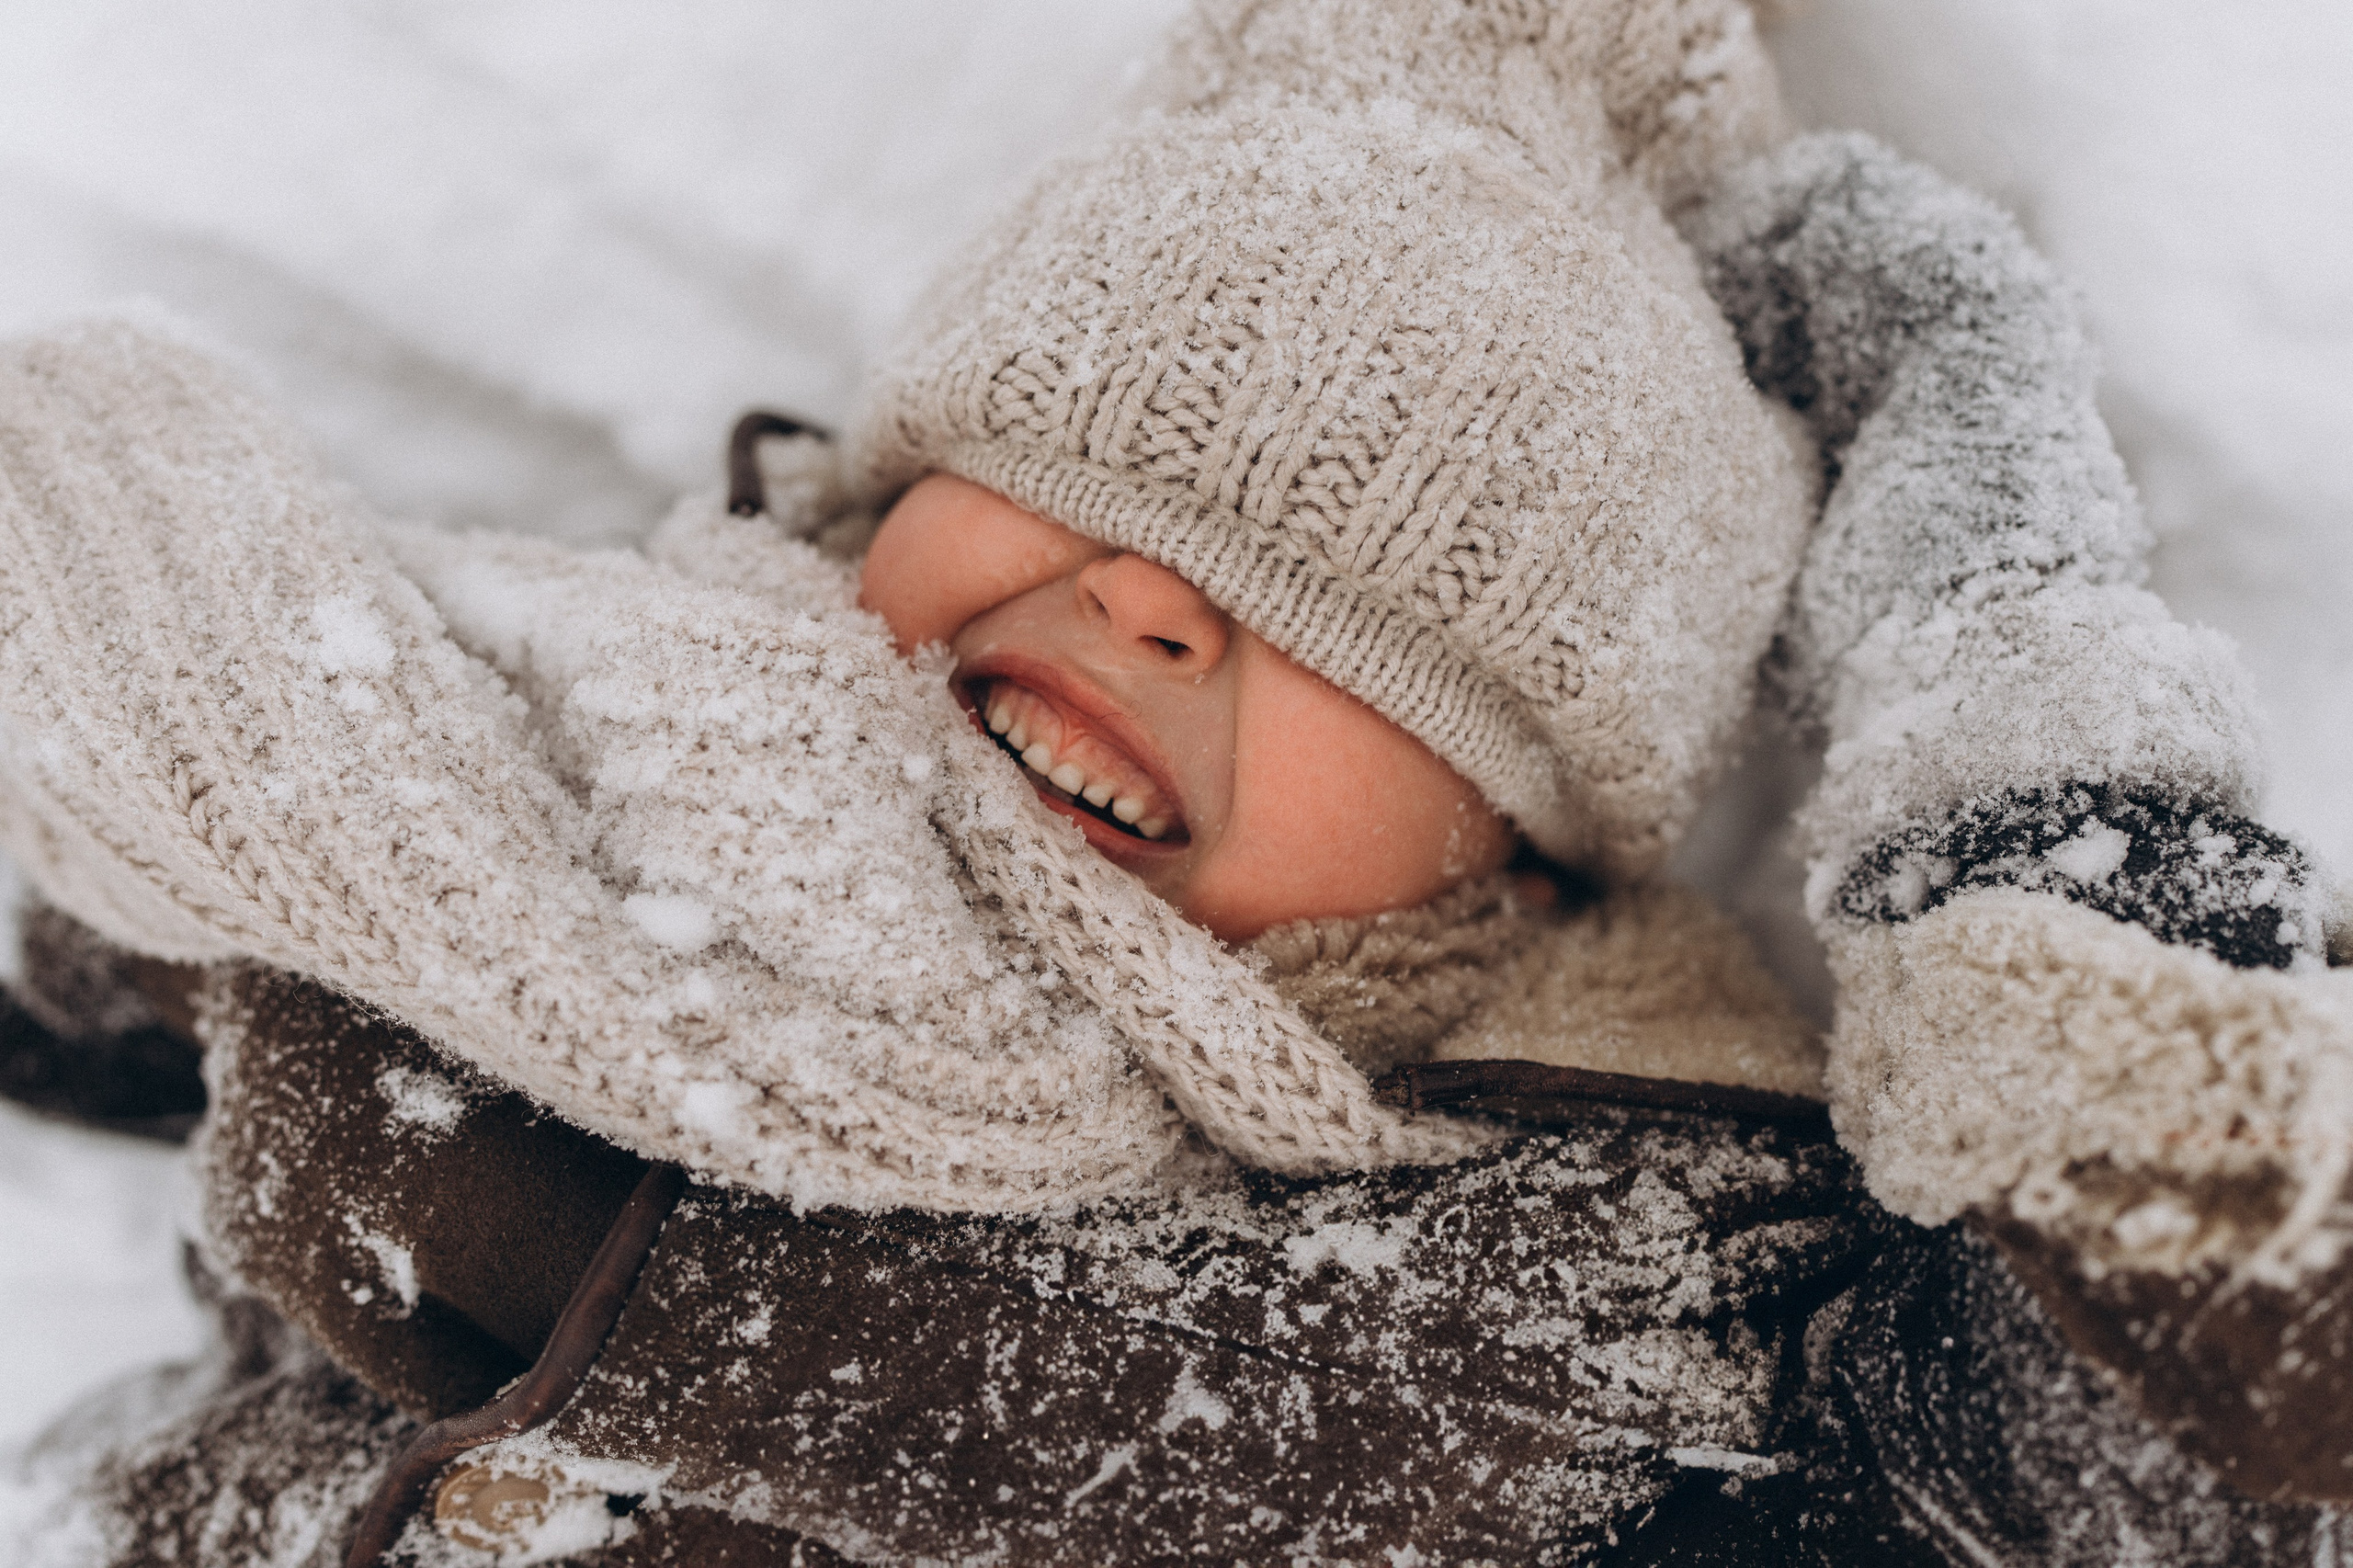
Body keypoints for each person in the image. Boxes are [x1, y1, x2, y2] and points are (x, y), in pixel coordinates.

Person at [1, 0, 2346, 1562]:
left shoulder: (1636, 1282)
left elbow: (2212, 1405)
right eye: (1067, 477)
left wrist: (2003, 639)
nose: (1150, 606)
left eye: (1362, 638)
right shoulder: (524, 739)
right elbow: (109, 892)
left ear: (1519, 873)